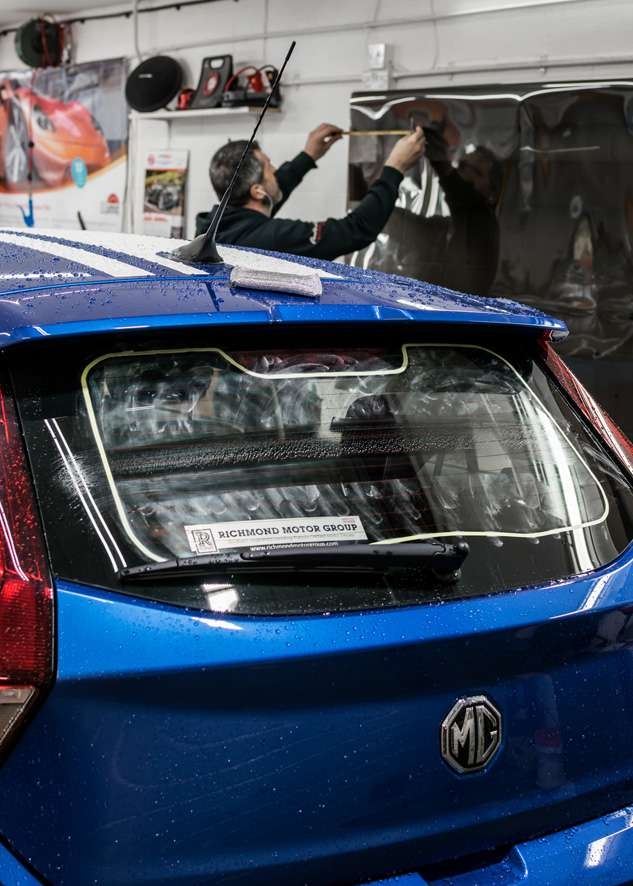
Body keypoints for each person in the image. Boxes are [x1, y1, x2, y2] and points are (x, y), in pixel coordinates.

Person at [195, 123, 426, 261]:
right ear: (257, 191)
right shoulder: (271, 238)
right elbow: (355, 230)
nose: (276, 171)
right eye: (269, 167)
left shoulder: (212, 228)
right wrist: (395, 168)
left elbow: (274, 189)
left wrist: (308, 155)